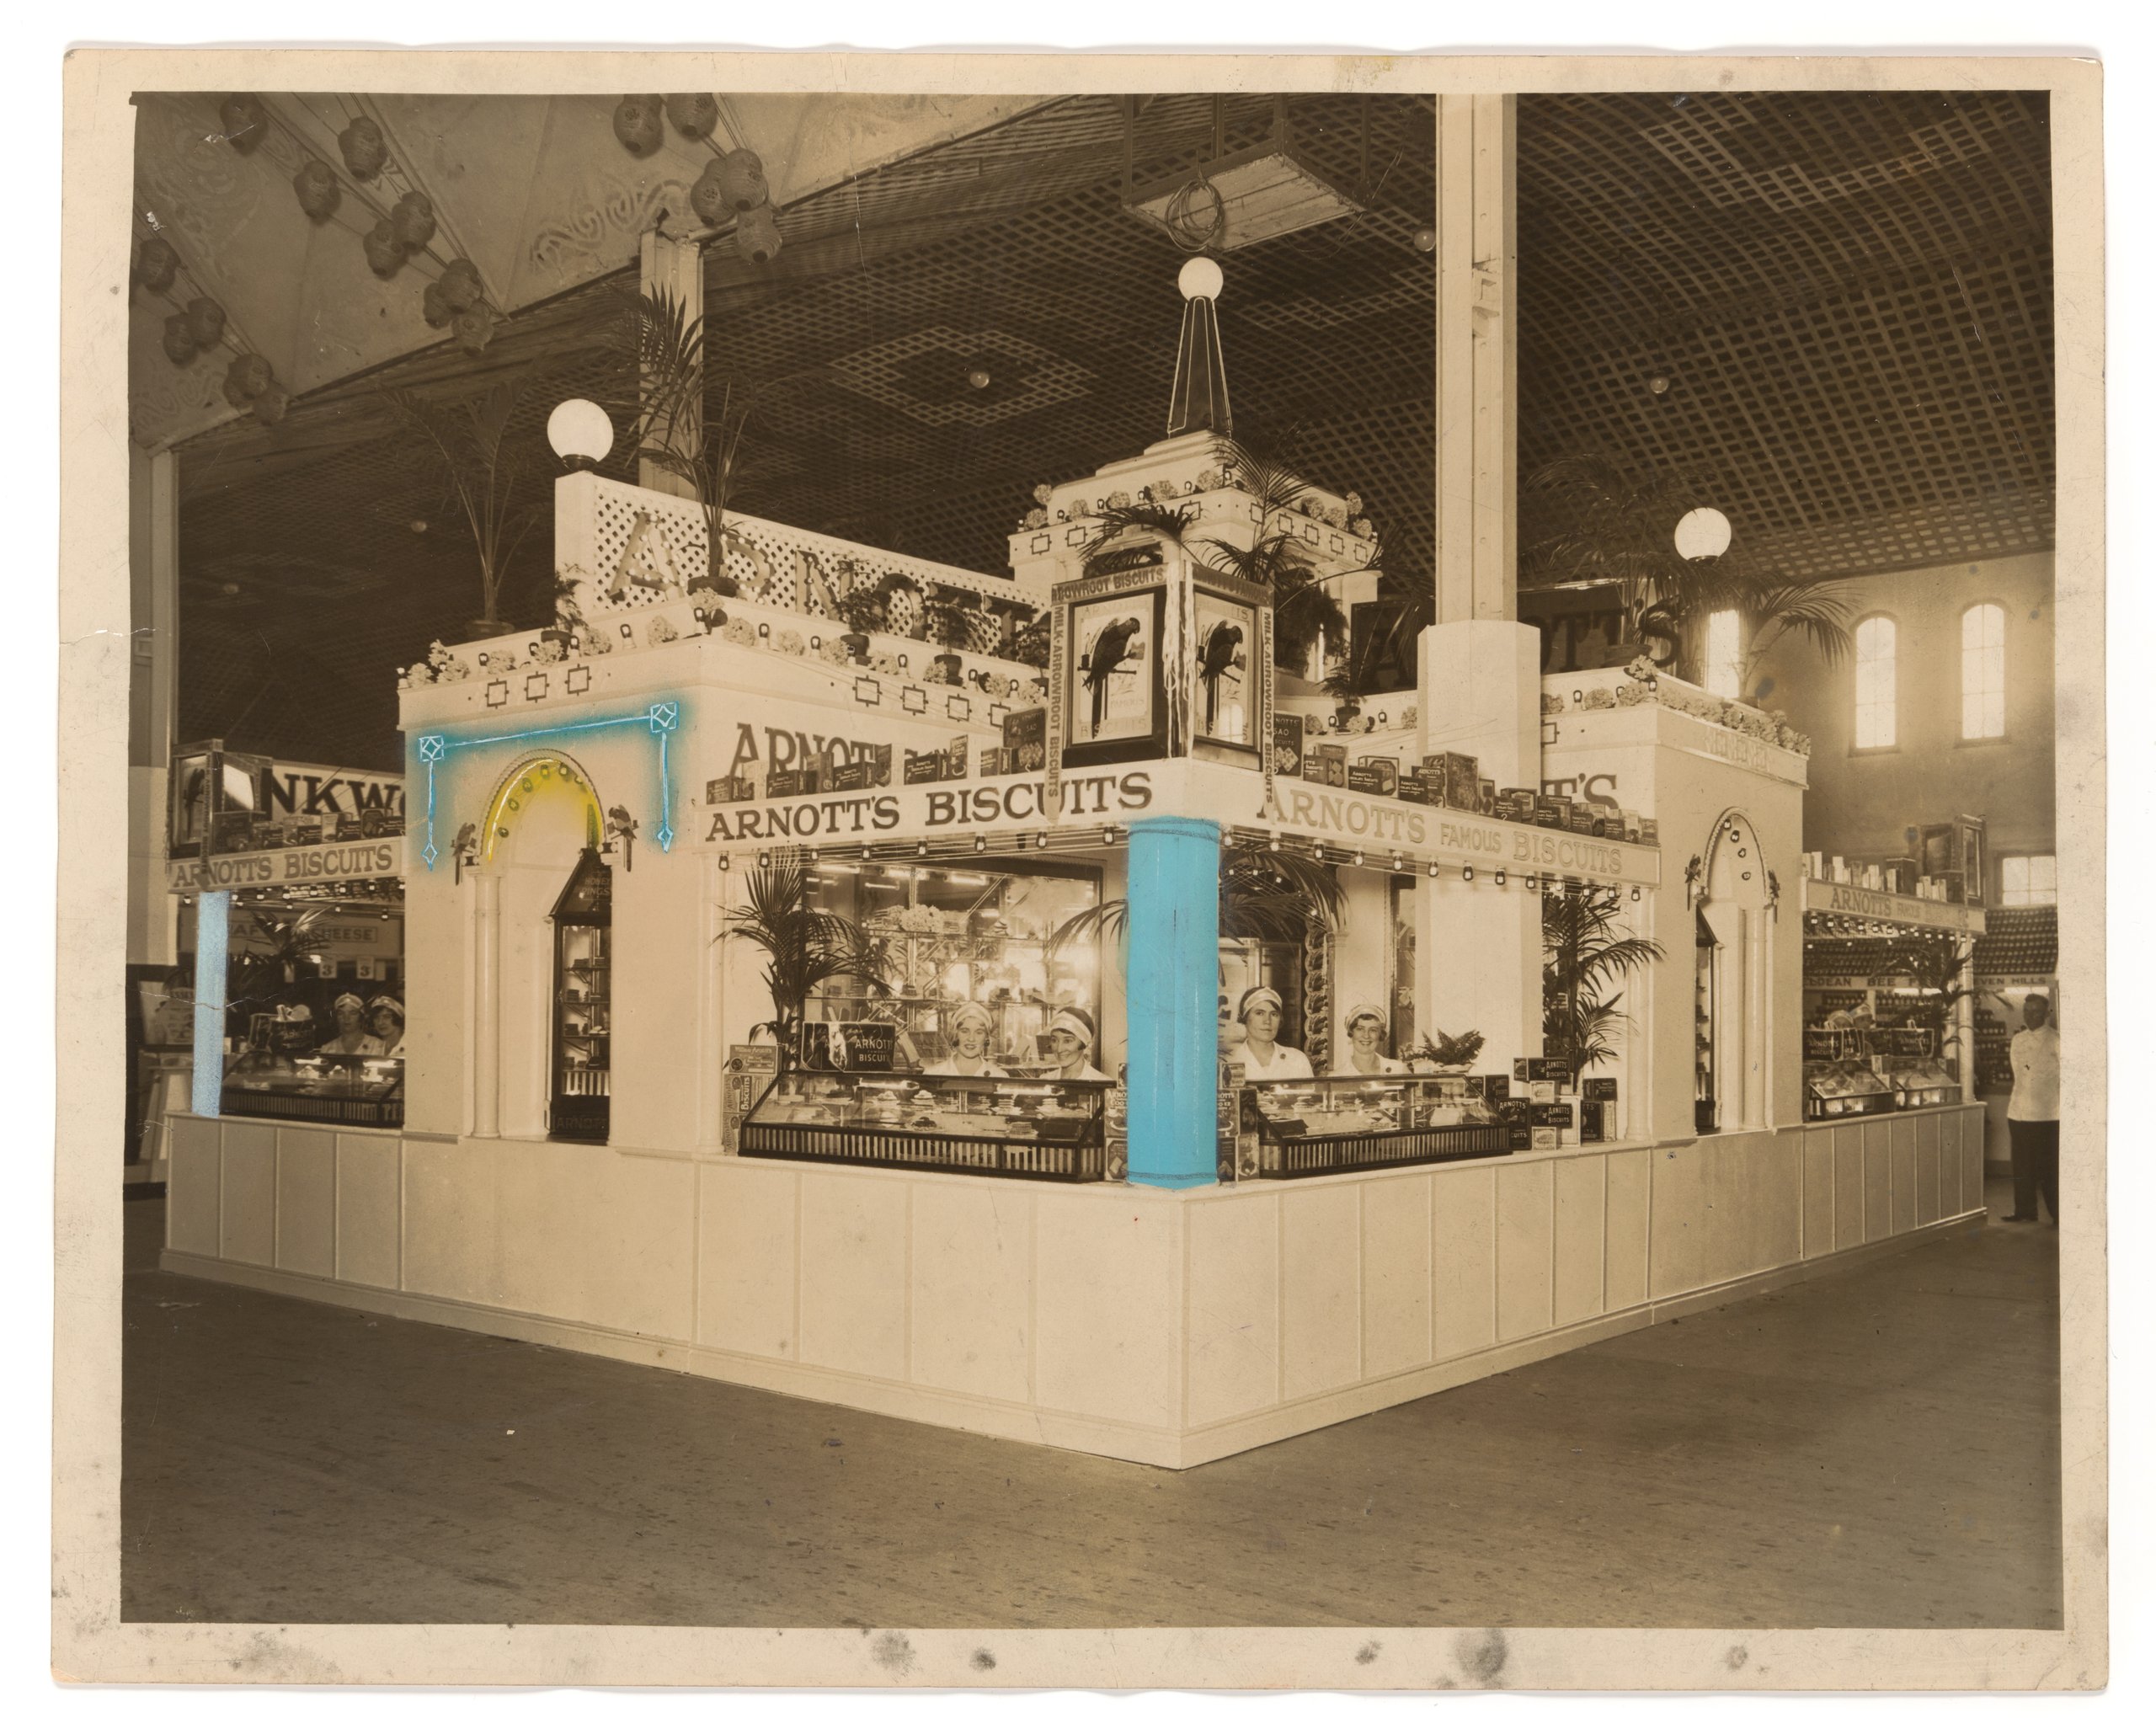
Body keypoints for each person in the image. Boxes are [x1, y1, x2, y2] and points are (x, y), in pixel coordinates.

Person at [2004, 991, 2059, 1225]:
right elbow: (2020, 1070)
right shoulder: (2018, 1040)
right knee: (2022, 1165)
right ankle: (2025, 1211)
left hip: (2049, 1113)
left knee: (2050, 1168)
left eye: (2036, 1012)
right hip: (2019, 1112)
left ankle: (2060, 1214)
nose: (2030, 1016)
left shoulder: (2057, 1039)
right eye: (2027, 1011)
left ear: (2046, 1014)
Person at [1225, 985, 1314, 1080]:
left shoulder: (1297, 1059)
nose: (1267, 1021)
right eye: (1259, 1013)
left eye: (1274, 1014)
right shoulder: (1230, 1062)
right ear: (1245, 1018)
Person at [925, 1001, 1005, 1077]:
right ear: (955, 1034)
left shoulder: (999, 1076)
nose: (971, 1039)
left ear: (986, 1038)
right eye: (964, 1031)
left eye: (979, 1032)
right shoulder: (933, 1074)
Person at [1041, 1006, 1109, 1080]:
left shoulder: (1102, 1084)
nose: (1059, 1049)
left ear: (1084, 1043)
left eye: (1067, 1041)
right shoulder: (1045, 1080)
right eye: (1054, 1040)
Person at [1341, 1002, 1405, 1075]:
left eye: (1373, 1030)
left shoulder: (1399, 1069)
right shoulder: (1338, 1076)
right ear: (1351, 1033)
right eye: (1360, 1029)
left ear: (1380, 1034)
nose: (1366, 1036)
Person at [318, 992, 382, 1056]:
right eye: (341, 1013)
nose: (346, 1018)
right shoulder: (327, 1049)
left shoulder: (377, 1045)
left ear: (361, 1017)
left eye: (352, 1013)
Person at [367, 995, 405, 1059]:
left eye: (387, 1017)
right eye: (376, 1017)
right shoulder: (373, 1046)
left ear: (398, 1018)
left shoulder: (412, 1045)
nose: (380, 1022)